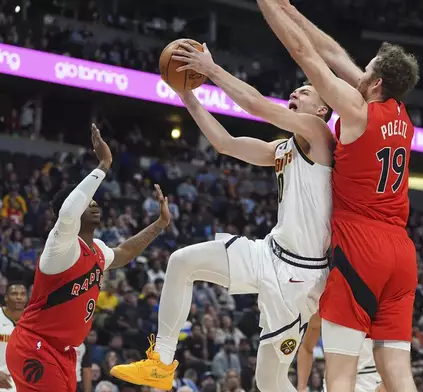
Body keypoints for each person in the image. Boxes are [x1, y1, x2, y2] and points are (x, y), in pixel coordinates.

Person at [110, 43, 335, 392]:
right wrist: (186, 95)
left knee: (269, 379)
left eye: (304, 91)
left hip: (299, 276)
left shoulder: (321, 137)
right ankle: (162, 363)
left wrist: (211, 69)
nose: (295, 91)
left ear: (321, 109)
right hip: (269, 253)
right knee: (181, 262)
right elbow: (225, 143)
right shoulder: (283, 149)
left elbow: (257, 105)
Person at [255, 0, 420, 391]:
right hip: (401, 251)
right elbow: (332, 52)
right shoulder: (400, 111)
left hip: (361, 247)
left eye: (366, 71)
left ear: (376, 82)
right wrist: (289, 9)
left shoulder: (356, 110)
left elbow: (305, 54)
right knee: (397, 372)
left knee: (340, 375)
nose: (358, 73)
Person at [6, 125, 172, 392]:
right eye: (88, 203)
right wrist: (104, 164)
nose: (94, 205)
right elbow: (70, 211)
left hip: (65, 353)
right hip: (35, 345)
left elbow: (125, 252)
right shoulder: (60, 246)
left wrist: (160, 225)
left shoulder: (97, 251)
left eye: (95, 203)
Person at [297, 313, 386, 392]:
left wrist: (386, 383)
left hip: (370, 378)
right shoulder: (324, 312)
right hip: (335, 378)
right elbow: (306, 348)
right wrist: (302, 388)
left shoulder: (379, 308)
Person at [0, 282, 28, 392]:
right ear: (6, 297)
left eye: (22, 294)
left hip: (23, 384)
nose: (19, 297)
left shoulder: (34, 320)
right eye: (14, 293)